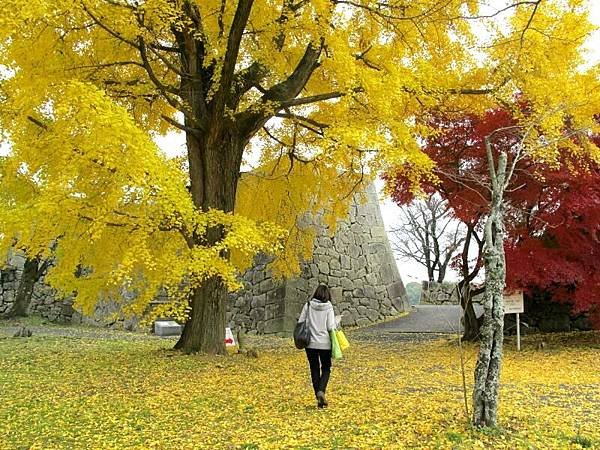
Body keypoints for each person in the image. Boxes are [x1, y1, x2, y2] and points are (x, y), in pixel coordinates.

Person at [297, 284, 336, 408]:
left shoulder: (308, 305)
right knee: (326, 368)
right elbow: (331, 327)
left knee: (314, 368)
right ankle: (321, 391)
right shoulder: (329, 307)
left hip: (310, 343)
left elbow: (300, 322)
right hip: (325, 343)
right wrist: (336, 322)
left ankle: (318, 397)